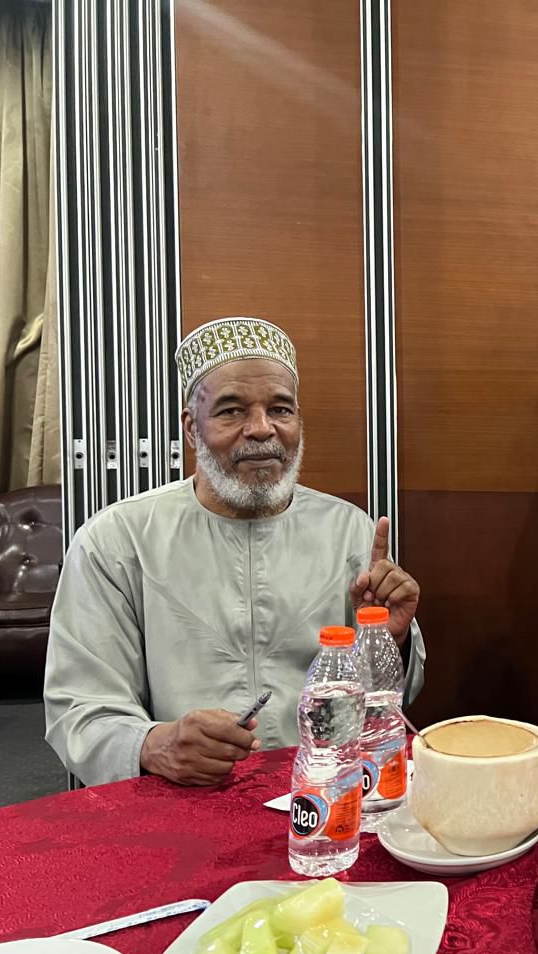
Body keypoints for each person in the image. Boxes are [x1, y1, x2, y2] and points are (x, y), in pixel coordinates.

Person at [44, 317, 426, 787]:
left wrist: (388, 643)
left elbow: (385, 708)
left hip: (322, 795)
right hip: (175, 801)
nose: (262, 429)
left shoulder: (350, 531)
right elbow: (79, 704)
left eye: (281, 410)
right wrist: (152, 743)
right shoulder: (117, 541)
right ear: (191, 428)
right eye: (231, 411)